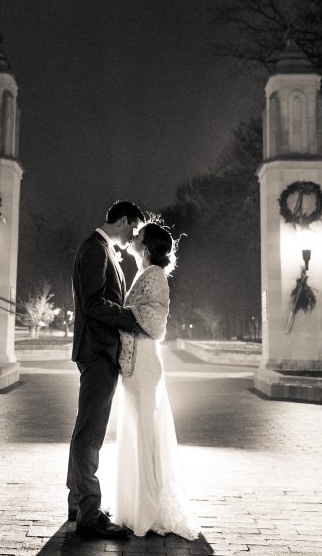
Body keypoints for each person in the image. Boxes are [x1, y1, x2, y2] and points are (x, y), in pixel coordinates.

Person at [112, 222, 200, 540]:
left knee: (144, 430)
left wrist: (119, 312)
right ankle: (138, 502)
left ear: (147, 247)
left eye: (138, 236)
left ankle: (148, 506)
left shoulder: (154, 275)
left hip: (145, 361)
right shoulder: (146, 273)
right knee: (137, 428)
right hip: (138, 360)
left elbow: (156, 323)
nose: (132, 238)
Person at [67, 200, 146, 540]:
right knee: (91, 433)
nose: (134, 236)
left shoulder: (102, 249)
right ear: (124, 221)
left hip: (98, 350)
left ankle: (78, 503)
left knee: (85, 429)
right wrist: (131, 317)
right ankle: (89, 514)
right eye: (134, 228)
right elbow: (93, 303)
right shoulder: (95, 249)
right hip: (98, 351)